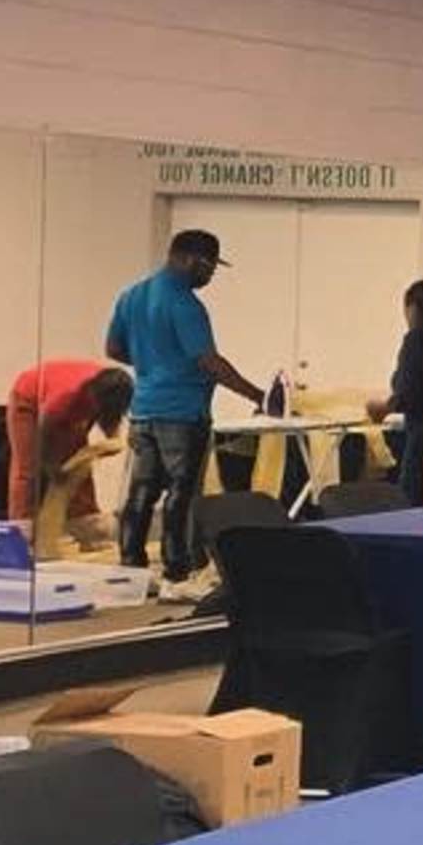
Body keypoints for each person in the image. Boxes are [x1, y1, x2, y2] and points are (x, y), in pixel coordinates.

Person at [106, 228, 265, 582]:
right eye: (209, 267)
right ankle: (177, 565)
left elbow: (113, 349)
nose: (210, 276)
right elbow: (209, 361)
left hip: (144, 409)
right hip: (182, 412)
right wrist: (259, 396)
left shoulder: (131, 296)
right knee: (182, 491)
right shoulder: (185, 305)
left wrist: (154, 363)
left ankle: (130, 563)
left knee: (142, 489)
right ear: (191, 259)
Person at [1, 357, 131, 550]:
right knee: (28, 466)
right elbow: (44, 435)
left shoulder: (114, 393)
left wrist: (110, 445)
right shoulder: (66, 397)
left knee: (79, 465)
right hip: (29, 401)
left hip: (73, 405)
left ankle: (83, 521)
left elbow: (110, 423)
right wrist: (51, 466)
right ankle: (22, 531)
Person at [388, 279, 423, 508]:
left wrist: (387, 405)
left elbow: (407, 390)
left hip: (420, 432)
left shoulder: (416, 339)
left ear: (414, 308)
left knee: (411, 498)